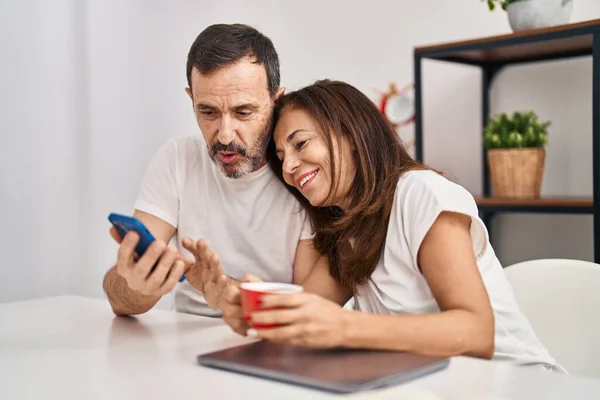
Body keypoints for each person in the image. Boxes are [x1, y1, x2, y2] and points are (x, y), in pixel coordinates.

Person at [218, 80, 565, 372]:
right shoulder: (346, 230)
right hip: (434, 385)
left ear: (351, 134)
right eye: (281, 157)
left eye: (301, 143)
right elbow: (306, 316)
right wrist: (238, 302)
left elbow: (476, 333)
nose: (290, 166)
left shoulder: (421, 194)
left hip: (515, 382)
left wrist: (345, 327)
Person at [102, 24, 337, 317]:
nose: (224, 135)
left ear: (275, 101)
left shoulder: (301, 175)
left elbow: (308, 311)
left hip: (267, 344)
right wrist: (138, 287)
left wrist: (226, 292)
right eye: (208, 112)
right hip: (184, 347)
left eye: (243, 112)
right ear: (191, 100)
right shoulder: (177, 158)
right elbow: (120, 301)